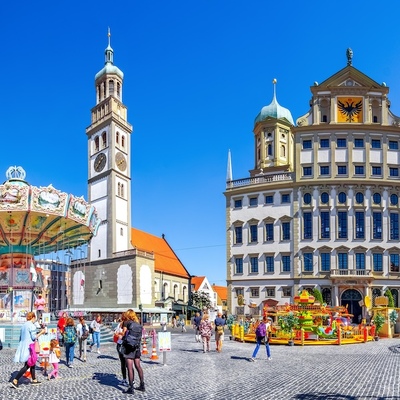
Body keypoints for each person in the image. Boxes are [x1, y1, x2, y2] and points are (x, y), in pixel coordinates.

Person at [11, 311, 46, 388]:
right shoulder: (32, 326)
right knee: (28, 364)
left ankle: (34, 379)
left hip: (23, 346)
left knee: (32, 362)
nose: (35, 320)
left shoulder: (23, 325)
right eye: (35, 319)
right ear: (33, 317)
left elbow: (20, 337)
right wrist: (42, 332)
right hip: (29, 347)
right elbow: (34, 337)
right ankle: (15, 380)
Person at [122, 309, 144, 394]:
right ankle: (142, 385)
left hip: (129, 348)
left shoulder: (127, 323)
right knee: (138, 366)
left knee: (130, 367)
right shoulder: (138, 324)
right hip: (137, 347)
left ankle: (131, 388)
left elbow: (124, 334)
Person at [115, 313, 128, 386]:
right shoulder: (119, 325)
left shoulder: (128, 325)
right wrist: (118, 334)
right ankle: (124, 379)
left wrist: (121, 334)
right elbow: (116, 333)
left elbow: (125, 333)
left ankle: (130, 380)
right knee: (123, 363)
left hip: (126, 345)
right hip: (120, 344)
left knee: (128, 363)